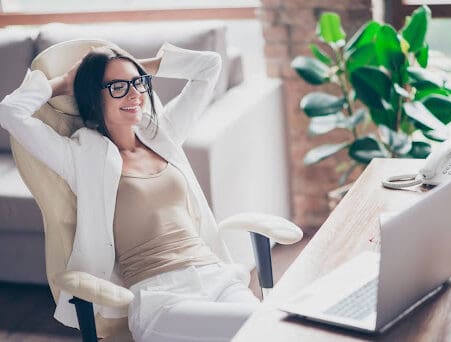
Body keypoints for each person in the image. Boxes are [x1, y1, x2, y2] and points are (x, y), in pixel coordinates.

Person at [0, 42, 259, 341]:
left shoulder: (163, 134)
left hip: (218, 279)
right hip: (162, 298)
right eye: (118, 87)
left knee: (275, 326)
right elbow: (10, 111)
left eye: (138, 85)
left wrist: (134, 68)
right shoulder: (81, 156)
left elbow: (209, 65)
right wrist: (66, 82)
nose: (135, 94)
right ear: (92, 95)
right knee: (254, 329)